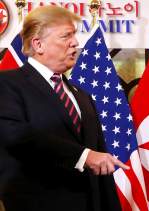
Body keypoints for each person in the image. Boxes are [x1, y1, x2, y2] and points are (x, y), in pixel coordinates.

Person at [0, 5, 129, 211]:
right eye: (66, 36)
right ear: (38, 44)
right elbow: (14, 135)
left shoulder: (83, 95)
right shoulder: (7, 84)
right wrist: (82, 156)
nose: (75, 43)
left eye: (74, 35)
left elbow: (99, 156)